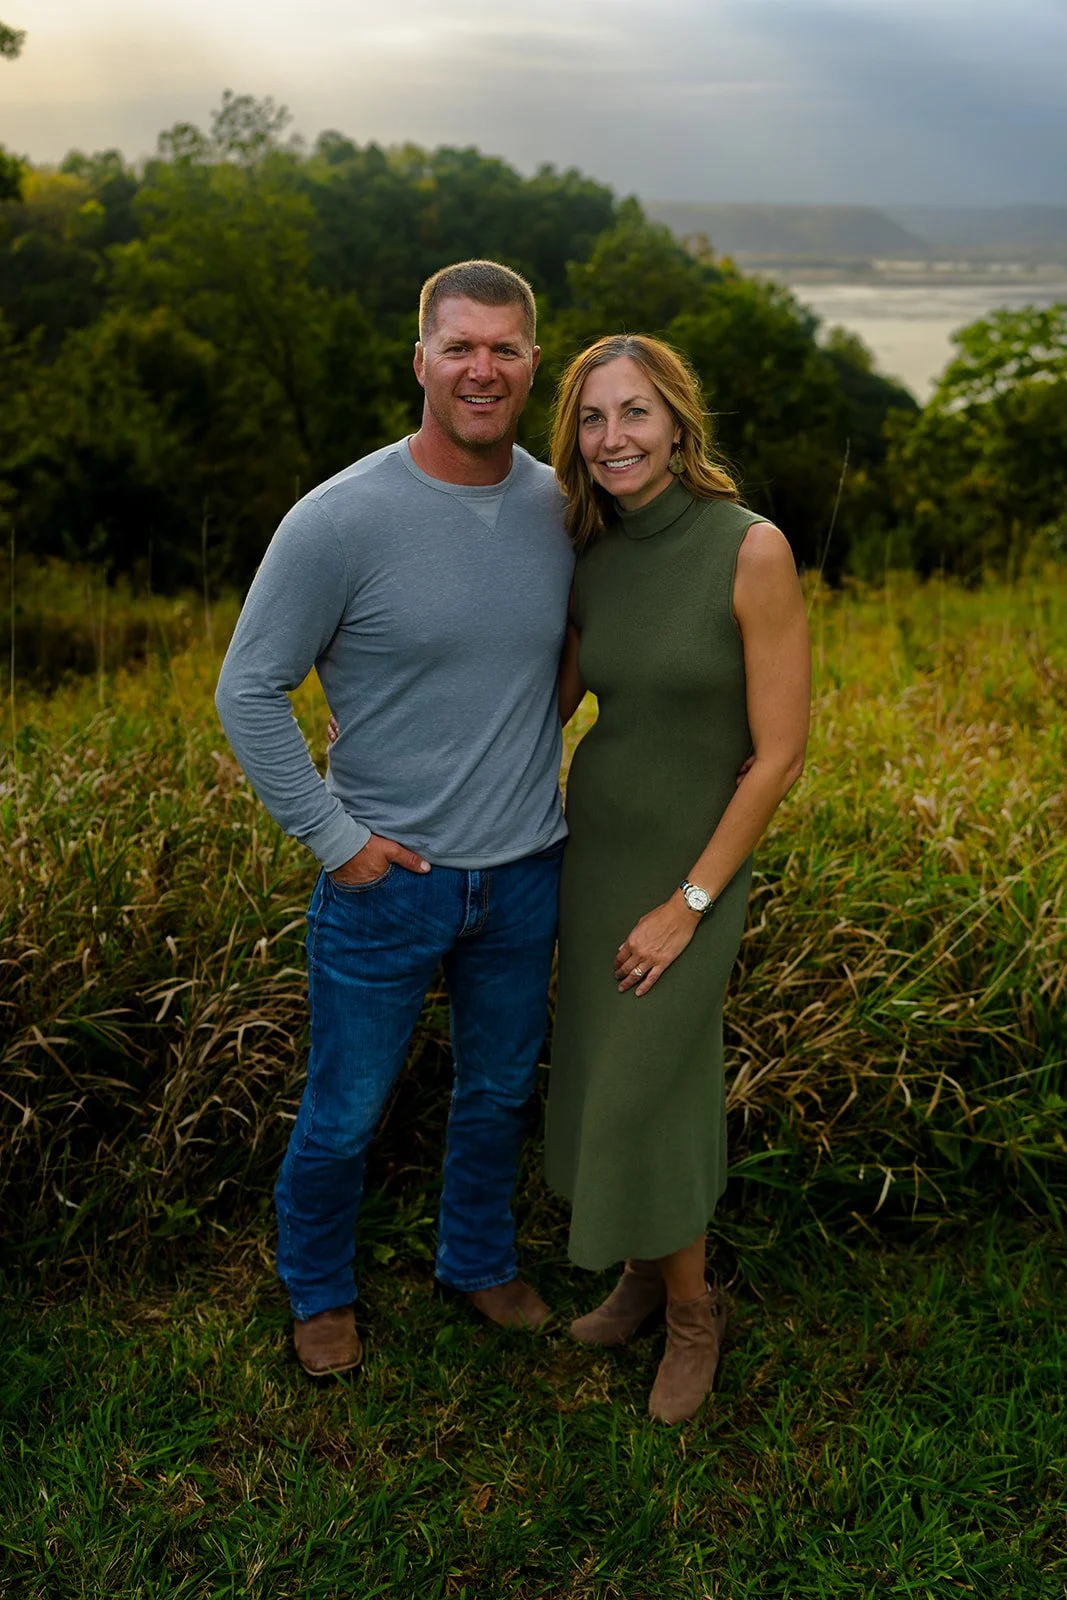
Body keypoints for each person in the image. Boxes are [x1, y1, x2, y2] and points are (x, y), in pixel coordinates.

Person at [215, 260, 574, 1379]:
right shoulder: (339, 519)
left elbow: (567, 660)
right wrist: (338, 843)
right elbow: (247, 689)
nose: (482, 369)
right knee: (345, 1110)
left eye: (504, 348)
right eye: (458, 346)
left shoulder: (562, 508)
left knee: (499, 1093)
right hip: (386, 880)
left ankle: (476, 1260)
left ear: (532, 363)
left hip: (526, 871)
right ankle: (319, 1291)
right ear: (419, 359)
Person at [545, 334, 811, 1424]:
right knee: (610, 1067)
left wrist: (688, 904)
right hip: (598, 852)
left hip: (695, 870)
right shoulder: (590, 554)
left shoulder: (749, 548)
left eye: (634, 412)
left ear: (676, 423)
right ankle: (644, 1276)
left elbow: (779, 753)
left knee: (647, 1078)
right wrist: (375, 724)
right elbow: (544, 705)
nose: (613, 437)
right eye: (592, 418)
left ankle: (695, 1314)